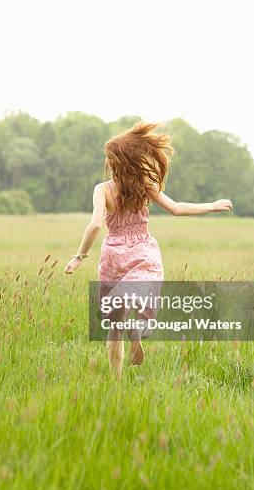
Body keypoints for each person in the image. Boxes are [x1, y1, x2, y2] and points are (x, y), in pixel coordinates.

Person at [64, 121, 233, 379]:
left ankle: (115, 381)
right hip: (143, 251)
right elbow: (176, 208)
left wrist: (79, 257)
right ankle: (140, 327)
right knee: (143, 296)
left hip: (114, 254)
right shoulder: (143, 184)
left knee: (114, 327)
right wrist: (212, 205)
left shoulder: (102, 190)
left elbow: (96, 224)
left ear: (116, 161)